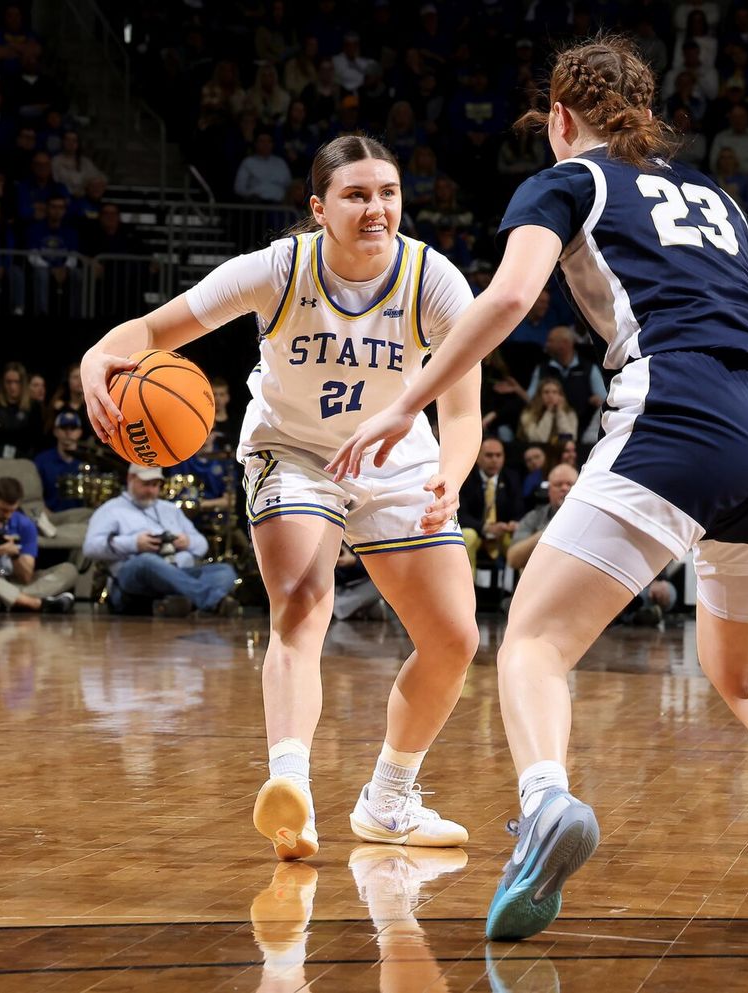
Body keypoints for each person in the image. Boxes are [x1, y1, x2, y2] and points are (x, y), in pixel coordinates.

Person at [329, 36, 748, 939]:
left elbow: (508, 297)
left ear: (560, 117)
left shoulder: (566, 182)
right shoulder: (717, 198)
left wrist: (406, 402)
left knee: (532, 637)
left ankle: (546, 805)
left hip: (682, 405)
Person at [80, 136, 481, 863]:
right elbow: (149, 332)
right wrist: (93, 358)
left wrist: (451, 475)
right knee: (301, 599)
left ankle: (389, 798)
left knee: (455, 638)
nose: (376, 207)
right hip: (295, 453)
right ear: (320, 208)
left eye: (388, 192)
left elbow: (460, 415)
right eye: (357, 194)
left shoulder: (437, 280)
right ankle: (289, 787)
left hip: (396, 458)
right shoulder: (279, 268)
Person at [82, 463, 239, 616]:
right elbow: (90, 547)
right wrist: (134, 543)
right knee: (147, 561)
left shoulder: (170, 509)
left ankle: (175, 602)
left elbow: (202, 545)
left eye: (155, 484)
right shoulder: (111, 509)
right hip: (132, 575)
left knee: (224, 572)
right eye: (146, 484)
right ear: (131, 478)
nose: (151, 490)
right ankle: (210, 600)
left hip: (176, 569)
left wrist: (187, 542)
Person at [0, 477, 77, 613]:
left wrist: (14, 555)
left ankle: (8, 599)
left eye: (12, 511)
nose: (7, 515)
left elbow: (26, 577)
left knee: (69, 570)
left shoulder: (25, 524)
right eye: (3, 510)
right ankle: (36, 603)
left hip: (12, 579)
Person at [459, 437, 524, 566]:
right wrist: (485, 527)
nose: (494, 460)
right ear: (477, 458)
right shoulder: (465, 478)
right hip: (476, 531)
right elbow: (460, 515)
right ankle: (468, 585)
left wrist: (512, 524)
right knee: (468, 536)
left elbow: (519, 510)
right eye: (489, 455)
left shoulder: (512, 478)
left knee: (522, 541)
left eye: (498, 455)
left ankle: (524, 585)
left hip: (502, 533)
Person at [506, 464, 578, 574]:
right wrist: (548, 532)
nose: (564, 488)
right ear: (549, 490)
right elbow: (513, 559)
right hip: (540, 579)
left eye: (570, 484)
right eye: (558, 484)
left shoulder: (592, 520)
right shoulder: (534, 517)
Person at [517, 377, 579, 445]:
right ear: (539, 396)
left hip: (560, 451)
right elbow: (538, 439)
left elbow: (570, 438)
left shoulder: (569, 413)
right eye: (546, 392)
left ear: (560, 396)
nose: (550, 396)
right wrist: (549, 412)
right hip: (535, 449)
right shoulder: (529, 413)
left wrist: (560, 413)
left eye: (555, 392)